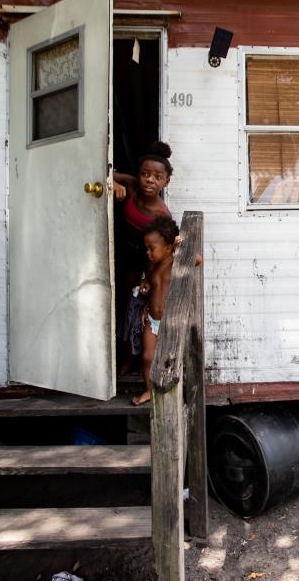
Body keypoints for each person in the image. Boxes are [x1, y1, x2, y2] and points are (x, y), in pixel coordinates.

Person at [111, 142, 173, 376]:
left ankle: (130, 359)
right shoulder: (133, 186)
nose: (149, 180)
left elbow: (163, 253)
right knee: (118, 304)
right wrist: (114, 183)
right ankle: (125, 357)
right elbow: (101, 172)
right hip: (117, 251)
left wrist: (149, 279)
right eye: (145, 174)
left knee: (132, 309)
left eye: (157, 177)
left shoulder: (162, 215)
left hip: (142, 263)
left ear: (165, 182)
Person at [132, 216, 181, 406]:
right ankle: (149, 390)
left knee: (170, 359)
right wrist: (145, 287)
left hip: (169, 322)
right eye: (146, 248)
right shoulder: (152, 267)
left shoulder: (175, 262)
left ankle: (170, 390)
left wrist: (179, 245)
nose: (148, 252)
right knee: (147, 357)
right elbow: (152, 288)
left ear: (168, 247)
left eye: (152, 248)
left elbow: (198, 259)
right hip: (152, 320)